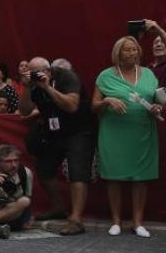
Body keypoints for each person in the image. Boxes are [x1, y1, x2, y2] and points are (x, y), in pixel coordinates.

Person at [92, 36, 160, 238]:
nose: (133, 53)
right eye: (128, 50)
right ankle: (116, 221)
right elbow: (93, 106)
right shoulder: (105, 76)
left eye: (135, 50)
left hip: (142, 132)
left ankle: (138, 222)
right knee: (115, 176)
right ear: (118, 53)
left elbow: (156, 100)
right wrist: (107, 101)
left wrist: (157, 107)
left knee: (140, 178)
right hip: (114, 133)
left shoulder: (149, 74)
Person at [19, 57, 92, 235]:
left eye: (38, 72)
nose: (36, 76)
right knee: (44, 168)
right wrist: (27, 88)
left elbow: (72, 106)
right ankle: (58, 207)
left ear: (49, 70)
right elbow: (25, 110)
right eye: (31, 72)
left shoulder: (67, 77)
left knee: (77, 172)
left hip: (78, 130)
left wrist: (47, 87)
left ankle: (76, 219)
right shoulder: (33, 85)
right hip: (54, 131)